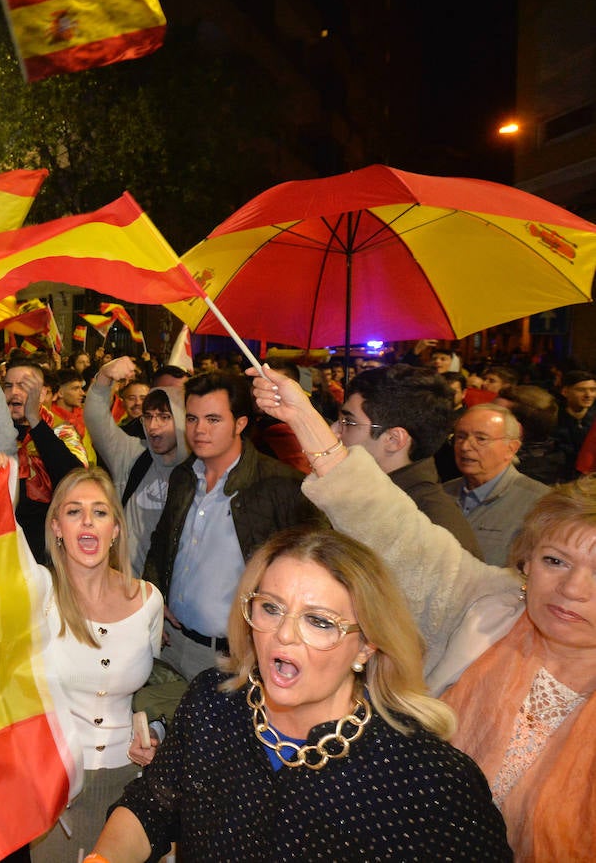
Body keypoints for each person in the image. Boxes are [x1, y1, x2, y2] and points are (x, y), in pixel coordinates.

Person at [250, 365, 596, 860]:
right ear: (526, 561)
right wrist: (304, 418)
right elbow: (393, 531)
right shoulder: (490, 606)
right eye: (555, 561)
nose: (572, 589)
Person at [90, 527, 509, 862]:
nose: (283, 635)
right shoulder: (213, 702)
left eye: (320, 622)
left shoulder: (431, 781)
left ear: (367, 645)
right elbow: (153, 806)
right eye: (270, 608)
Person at [143, 372, 321, 680]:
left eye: (213, 419)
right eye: (193, 418)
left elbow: (313, 568)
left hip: (232, 657)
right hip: (172, 642)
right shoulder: (184, 476)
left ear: (240, 424)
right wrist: (154, 594)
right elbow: (161, 543)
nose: (199, 430)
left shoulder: (279, 485)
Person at [30, 468, 164, 863]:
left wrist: (153, 728)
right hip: (55, 788)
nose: (88, 521)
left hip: (132, 786)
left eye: (100, 512)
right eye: (74, 512)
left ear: (116, 530)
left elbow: (153, 685)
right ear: (56, 527)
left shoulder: (148, 600)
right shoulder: (35, 592)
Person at [333, 365, 483, 558]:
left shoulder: (432, 528)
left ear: (394, 439)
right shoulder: (370, 496)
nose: (334, 431)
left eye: (348, 423)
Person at [85, 356, 187, 577]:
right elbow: (96, 420)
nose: (153, 426)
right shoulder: (133, 455)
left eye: (164, 417)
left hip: (172, 599)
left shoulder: (202, 470)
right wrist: (104, 377)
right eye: (148, 417)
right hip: (124, 587)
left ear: (182, 420)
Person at [442, 404, 550, 566]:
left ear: (511, 448)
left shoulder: (540, 503)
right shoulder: (441, 494)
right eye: (460, 436)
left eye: (481, 439)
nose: (465, 447)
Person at [4, 357, 87, 564]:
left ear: (42, 394)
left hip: (48, 550)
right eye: (8, 386)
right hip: (2, 546)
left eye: (23, 386)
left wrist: (34, 420)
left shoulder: (61, 431)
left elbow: (76, 479)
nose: (14, 392)